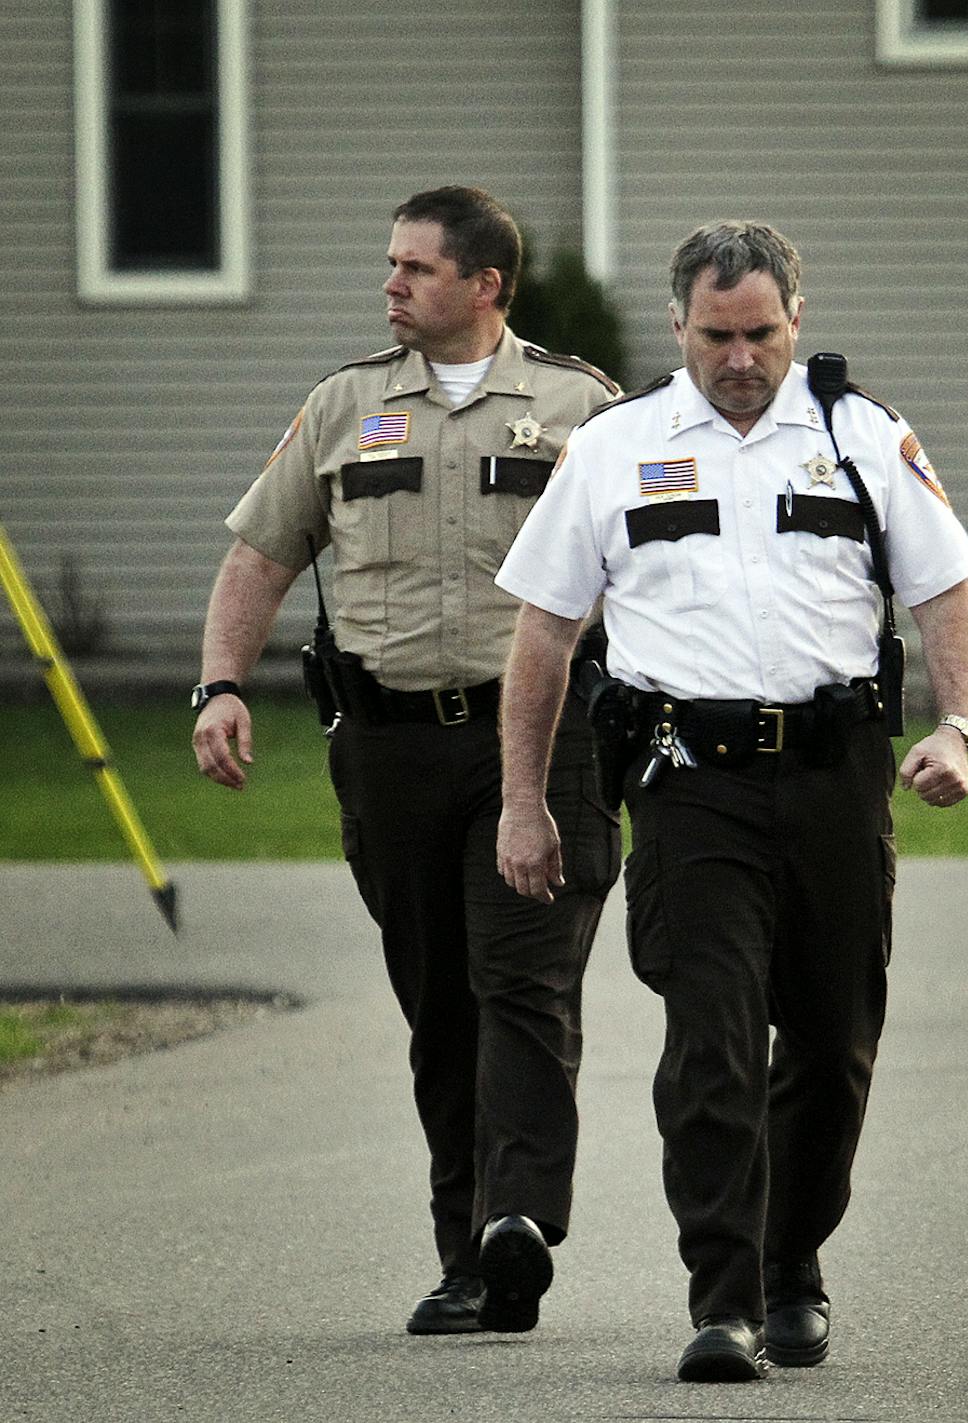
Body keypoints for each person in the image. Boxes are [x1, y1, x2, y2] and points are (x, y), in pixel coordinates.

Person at [492, 220, 968, 1384]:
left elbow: (946, 599)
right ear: (679, 328)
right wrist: (525, 799)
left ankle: (788, 1263)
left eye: (761, 332)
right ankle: (722, 1298)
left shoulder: (863, 436)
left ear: (796, 321)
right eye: (716, 334)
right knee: (710, 1038)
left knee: (834, 1044)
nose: (740, 356)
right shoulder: (616, 447)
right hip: (688, 784)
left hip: (834, 780)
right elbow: (545, 634)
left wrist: (958, 726)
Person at [190, 186, 624, 1333]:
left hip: (542, 742)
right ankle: (468, 1254)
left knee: (522, 982)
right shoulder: (341, 407)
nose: (390, 286)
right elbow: (258, 557)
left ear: (485, 286)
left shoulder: (584, 407)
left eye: (415, 269)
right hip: (386, 744)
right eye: (390, 266)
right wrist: (221, 686)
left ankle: (516, 1220)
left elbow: (658, 566)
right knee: (440, 1003)